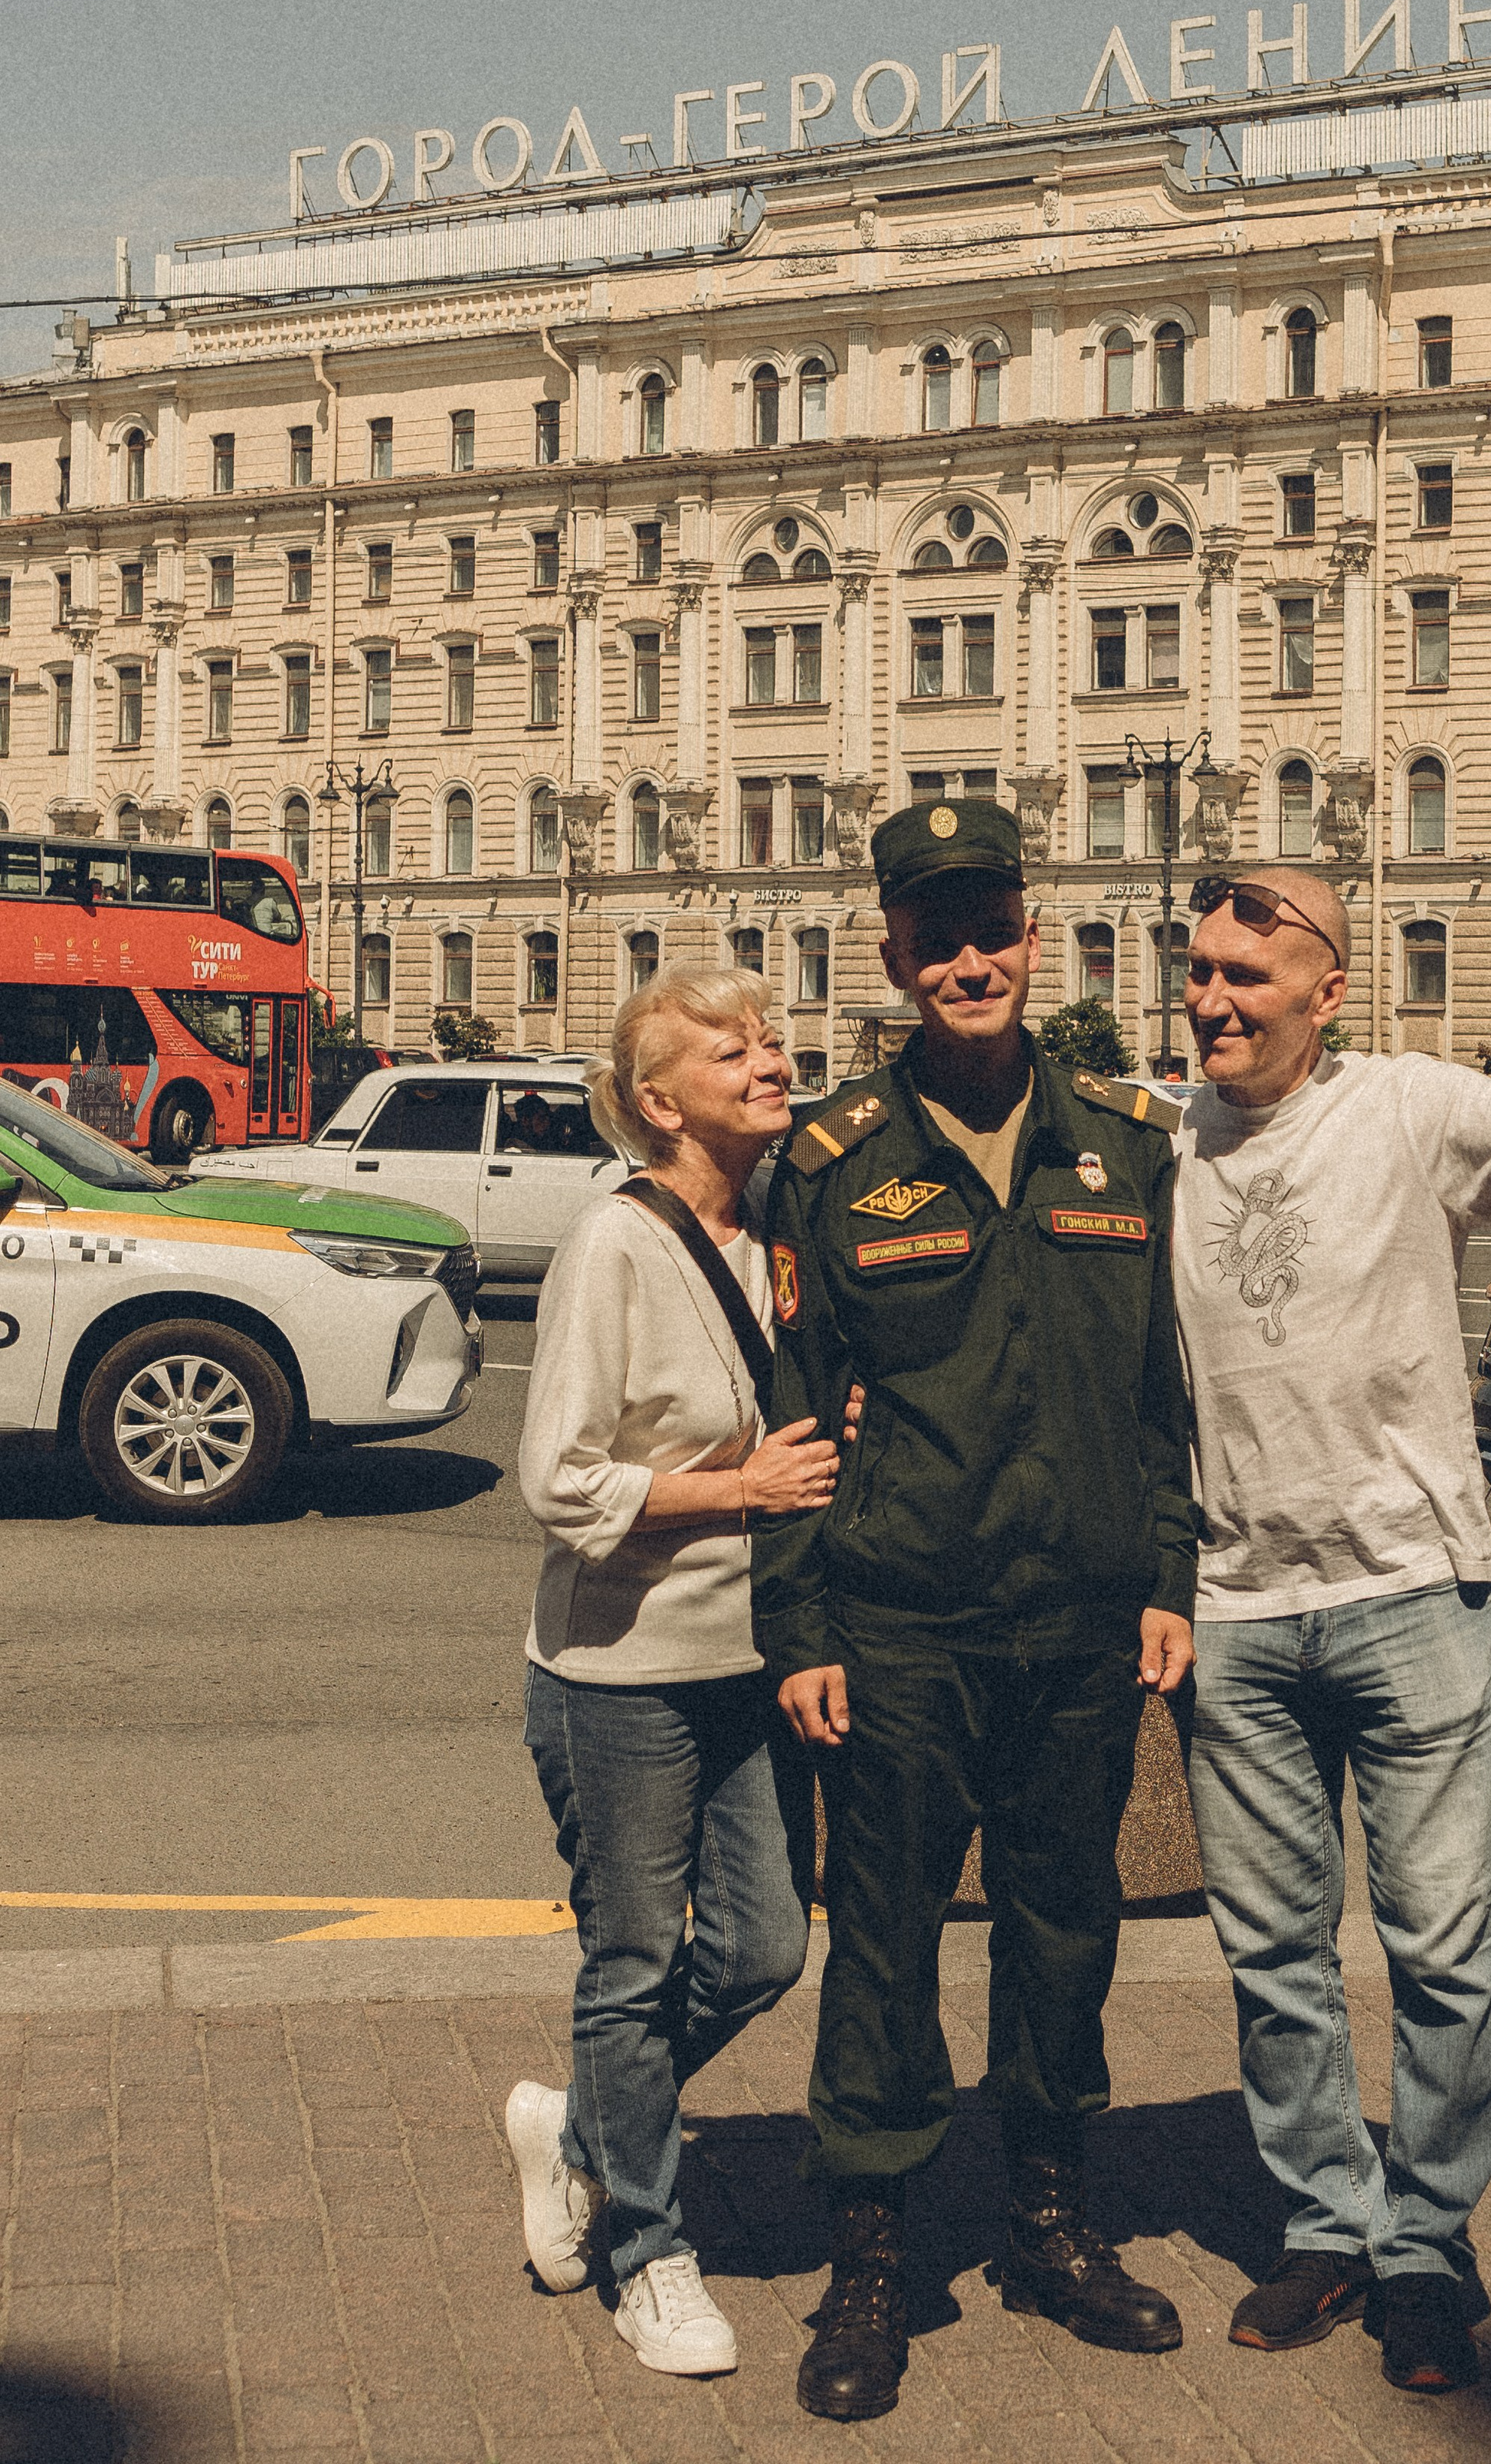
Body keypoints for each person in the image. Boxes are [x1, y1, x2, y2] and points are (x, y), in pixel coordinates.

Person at [1173, 859, 1491, 2396]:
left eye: (1246, 977)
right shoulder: (1153, 1137)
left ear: (1329, 987)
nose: (1210, 1002)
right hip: (1236, 1611)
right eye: (1195, 973)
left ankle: (1424, 2244)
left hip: (1409, 1596)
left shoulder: (1409, 1105)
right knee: (1271, 1957)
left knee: (1444, 1948)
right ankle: (1326, 2222)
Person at [755, 794, 1198, 2424]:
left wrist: (1170, 1574)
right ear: (891, 951)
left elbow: (1163, 1397)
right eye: (933, 933)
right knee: (879, 1941)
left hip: (1080, 1617)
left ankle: (1047, 2222)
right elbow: (797, 1415)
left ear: (1035, 932)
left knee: (1062, 1925)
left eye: (990, 927)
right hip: (899, 1621)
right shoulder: (834, 1162)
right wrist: (796, 1629)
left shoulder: (1122, 1143)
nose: (967, 959)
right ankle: (869, 2256)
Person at [503, 968, 839, 2378]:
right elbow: (558, 1480)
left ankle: (576, 2127)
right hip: (618, 1674)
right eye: (733, 1048)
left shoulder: (771, 1232)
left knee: (764, 1945)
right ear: (659, 1102)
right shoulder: (615, 1246)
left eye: (769, 1038)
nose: (769, 1058)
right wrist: (738, 1489)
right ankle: (646, 2249)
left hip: (751, 1665)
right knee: (634, 1964)